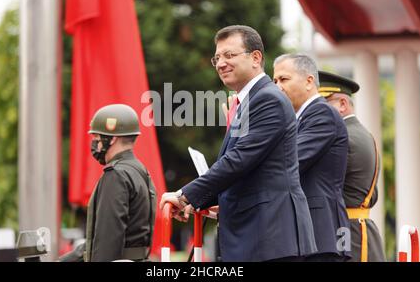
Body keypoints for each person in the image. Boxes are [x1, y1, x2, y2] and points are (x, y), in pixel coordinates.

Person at [160, 25, 317, 262]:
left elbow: (239, 160)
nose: (221, 63)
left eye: (229, 55)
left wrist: (184, 196)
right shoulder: (250, 101)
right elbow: (245, 169)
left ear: (256, 58)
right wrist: (201, 201)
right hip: (260, 237)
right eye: (217, 58)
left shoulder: (267, 99)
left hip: (272, 238)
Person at [273, 54, 350, 262]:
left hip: (323, 232)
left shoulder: (321, 114)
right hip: (310, 234)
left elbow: (286, 163)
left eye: (284, 79)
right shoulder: (299, 119)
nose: (277, 87)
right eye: (275, 81)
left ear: (309, 81)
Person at [318, 70, 386, 262]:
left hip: (348, 233)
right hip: (356, 229)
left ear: (342, 104)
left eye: (323, 103)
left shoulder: (344, 137)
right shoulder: (360, 134)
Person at [84, 104, 156, 262]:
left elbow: (106, 241)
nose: (95, 144)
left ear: (112, 138)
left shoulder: (116, 175)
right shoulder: (139, 170)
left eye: (96, 138)